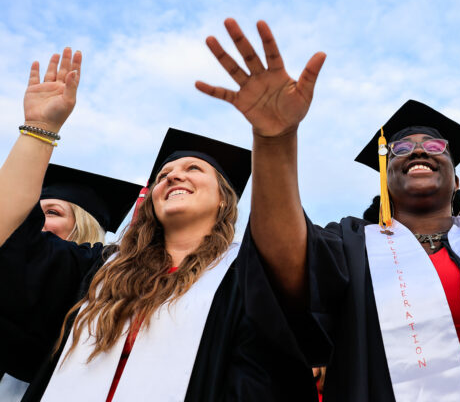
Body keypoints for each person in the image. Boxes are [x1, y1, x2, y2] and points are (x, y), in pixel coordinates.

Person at [196, 12, 460, 401]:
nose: (418, 150)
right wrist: (275, 139)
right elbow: (284, 264)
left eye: (435, 147)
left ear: (457, 178)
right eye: (400, 148)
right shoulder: (350, 244)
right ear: (385, 175)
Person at [0, 48, 317, 401]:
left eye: (193, 169)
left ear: (224, 198)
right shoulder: (97, 270)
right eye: (164, 174)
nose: (173, 176)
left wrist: (275, 137)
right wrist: (40, 129)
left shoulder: (244, 278)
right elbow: (10, 237)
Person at [0, 163, 142, 402]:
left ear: (84, 224)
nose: (36, 222)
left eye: (53, 212)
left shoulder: (98, 297)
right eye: (36, 212)